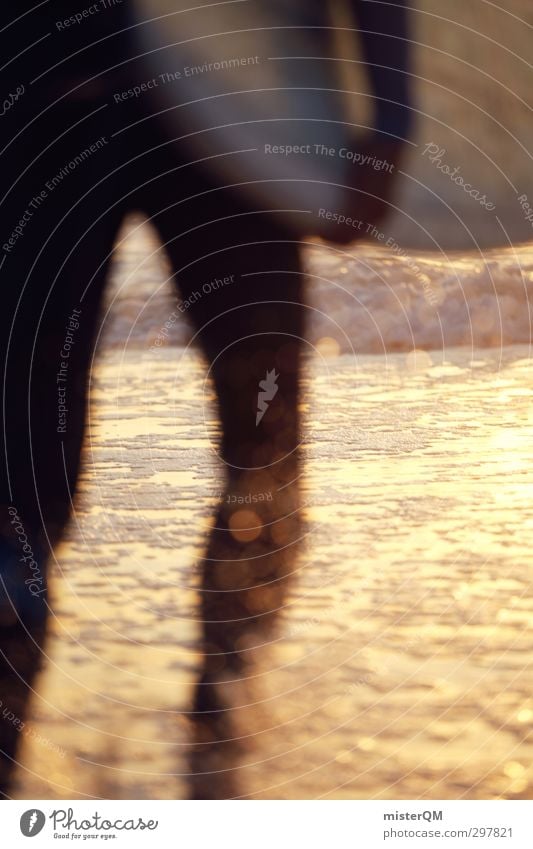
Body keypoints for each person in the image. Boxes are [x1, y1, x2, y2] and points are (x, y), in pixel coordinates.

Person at [0, 0, 412, 797]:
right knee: (19, 480)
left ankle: (220, 733)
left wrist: (389, 113)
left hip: (241, 92)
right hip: (41, 93)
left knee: (264, 446)